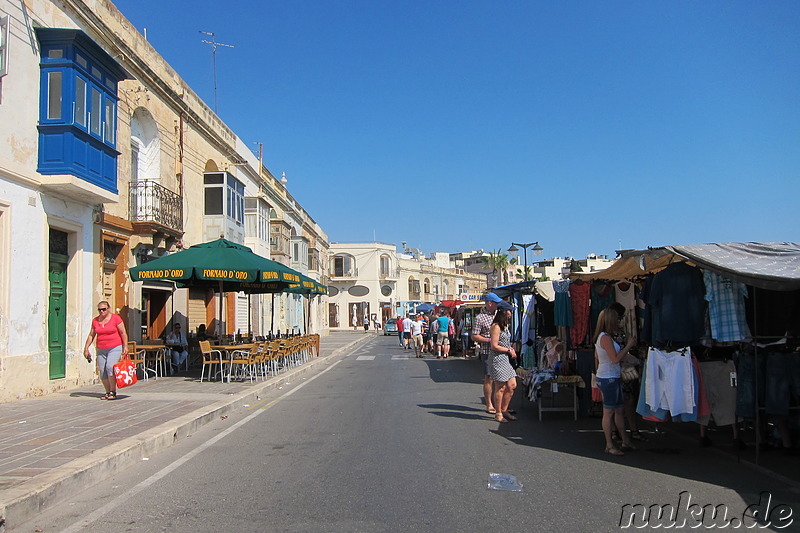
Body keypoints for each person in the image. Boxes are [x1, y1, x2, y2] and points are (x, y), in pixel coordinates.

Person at [594, 308, 638, 456]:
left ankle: (625, 440)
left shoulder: (604, 337)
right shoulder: (605, 338)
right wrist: (629, 346)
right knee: (609, 412)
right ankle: (609, 444)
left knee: (618, 410)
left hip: (609, 376)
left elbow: (599, 358)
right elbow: (615, 359)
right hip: (609, 378)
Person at [82, 301, 129, 400]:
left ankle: (113, 391)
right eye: (99, 309)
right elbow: (91, 335)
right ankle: (107, 391)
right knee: (102, 371)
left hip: (114, 347)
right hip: (101, 348)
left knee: (110, 367)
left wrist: (125, 346)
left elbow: (123, 333)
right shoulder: (95, 321)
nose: (101, 311)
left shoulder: (116, 318)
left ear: (108, 309)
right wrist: (86, 348)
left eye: (104, 309)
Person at [471, 292, 501, 414]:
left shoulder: (498, 315)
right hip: (487, 351)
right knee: (489, 378)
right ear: (489, 303)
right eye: (495, 303)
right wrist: (489, 340)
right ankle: (489, 404)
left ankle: (500, 404)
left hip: (500, 351)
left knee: (501, 378)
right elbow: (474, 336)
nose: (497, 305)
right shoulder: (480, 318)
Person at [490, 301, 518, 422]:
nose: (511, 313)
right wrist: (508, 350)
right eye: (509, 311)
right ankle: (498, 413)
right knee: (500, 387)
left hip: (506, 358)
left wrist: (510, 349)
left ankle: (504, 409)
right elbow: (494, 345)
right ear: (503, 312)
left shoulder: (505, 326)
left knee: (512, 385)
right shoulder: (496, 326)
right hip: (498, 359)